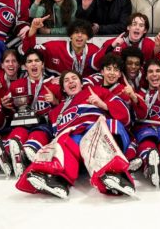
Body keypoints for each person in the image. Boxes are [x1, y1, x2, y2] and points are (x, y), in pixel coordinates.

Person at [15, 69, 134, 198]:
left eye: (74, 78)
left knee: (109, 126)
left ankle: (116, 174)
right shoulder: (56, 112)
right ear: (64, 89)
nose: (70, 81)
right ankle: (58, 180)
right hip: (76, 144)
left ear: (81, 83)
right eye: (66, 80)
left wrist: (103, 105)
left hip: (95, 133)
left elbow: (126, 116)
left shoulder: (95, 91)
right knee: (62, 143)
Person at [0, 49, 60, 177]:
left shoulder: (53, 84)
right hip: (22, 123)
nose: (33, 64)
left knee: (36, 137)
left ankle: (23, 156)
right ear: (25, 66)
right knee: (16, 136)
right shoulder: (16, 85)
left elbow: (64, 108)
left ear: (42, 64)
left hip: (43, 125)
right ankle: (7, 155)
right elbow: (8, 113)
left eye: (36, 61)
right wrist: (5, 107)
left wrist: (55, 101)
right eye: (29, 61)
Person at [130, 59, 160, 188]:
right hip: (145, 128)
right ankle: (150, 164)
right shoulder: (139, 93)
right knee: (147, 141)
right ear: (145, 76)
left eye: (158, 71)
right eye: (150, 71)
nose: (154, 74)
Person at [22, 19, 99, 77]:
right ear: (70, 35)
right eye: (76, 32)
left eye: (83, 33)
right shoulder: (54, 47)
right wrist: (33, 28)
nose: (79, 35)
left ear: (88, 36)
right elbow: (29, 52)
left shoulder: (95, 51)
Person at [90, 12, 156, 70]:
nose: (137, 27)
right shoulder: (112, 43)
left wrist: (157, 50)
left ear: (145, 30)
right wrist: (111, 46)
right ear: (128, 27)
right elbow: (94, 64)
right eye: (134, 24)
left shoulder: (150, 44)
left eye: (141, 25)